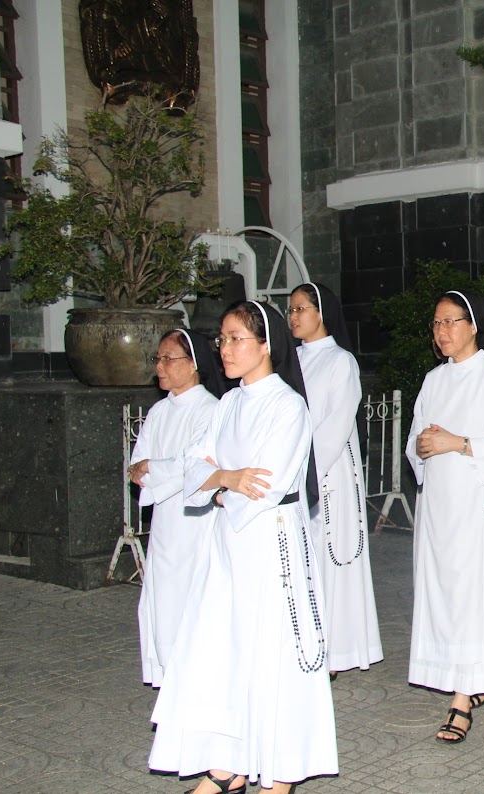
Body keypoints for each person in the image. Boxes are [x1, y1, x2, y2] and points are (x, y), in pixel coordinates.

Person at [150, 301, 336, 794]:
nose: (225, 350)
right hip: (224, 545)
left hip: (269, 541)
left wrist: (217, 479)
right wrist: (225, 476)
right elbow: (193, 468)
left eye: (236, 339)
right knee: (223, 649)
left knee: (270, 649)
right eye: (223, 340)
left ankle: (279, 771)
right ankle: (226, 763)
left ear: (265, 344)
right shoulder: (227, 403)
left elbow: (265, 484)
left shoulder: (288, 406)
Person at [405, 290, 484, 744]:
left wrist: (458, 443)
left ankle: (463, 698)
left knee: (474, 593)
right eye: (436, 323)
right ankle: (461, 672)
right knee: (443, 592)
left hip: (478, 503)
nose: (442, 331)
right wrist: (420, 447)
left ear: (474, 325)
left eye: (451, 321)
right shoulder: (433, 380)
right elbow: (417, 439)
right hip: (439, 504)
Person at [290, 282, 383, 678]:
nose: (293, 317)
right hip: (293, 468)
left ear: (322, 312)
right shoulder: (290, 358)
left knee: (329, 555)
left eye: (300, 309)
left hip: (326, 472)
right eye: (290, 310)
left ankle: (334, 650)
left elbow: (336, 423)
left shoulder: (340, 361)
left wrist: (305, 473)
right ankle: (304, 641)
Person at [130, 328, 225, 688]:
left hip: (195, 521)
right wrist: (149, 469)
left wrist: (154, 468)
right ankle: (167, 675)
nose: (160, 367)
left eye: (168, 359)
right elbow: (137, 464)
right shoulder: (158, 411)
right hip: (165, 523)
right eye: (157, 359)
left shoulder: (210, 410)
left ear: (193, 364)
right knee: (161, 600)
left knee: (190, 597)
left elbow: (194, 466)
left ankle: (193, 680)